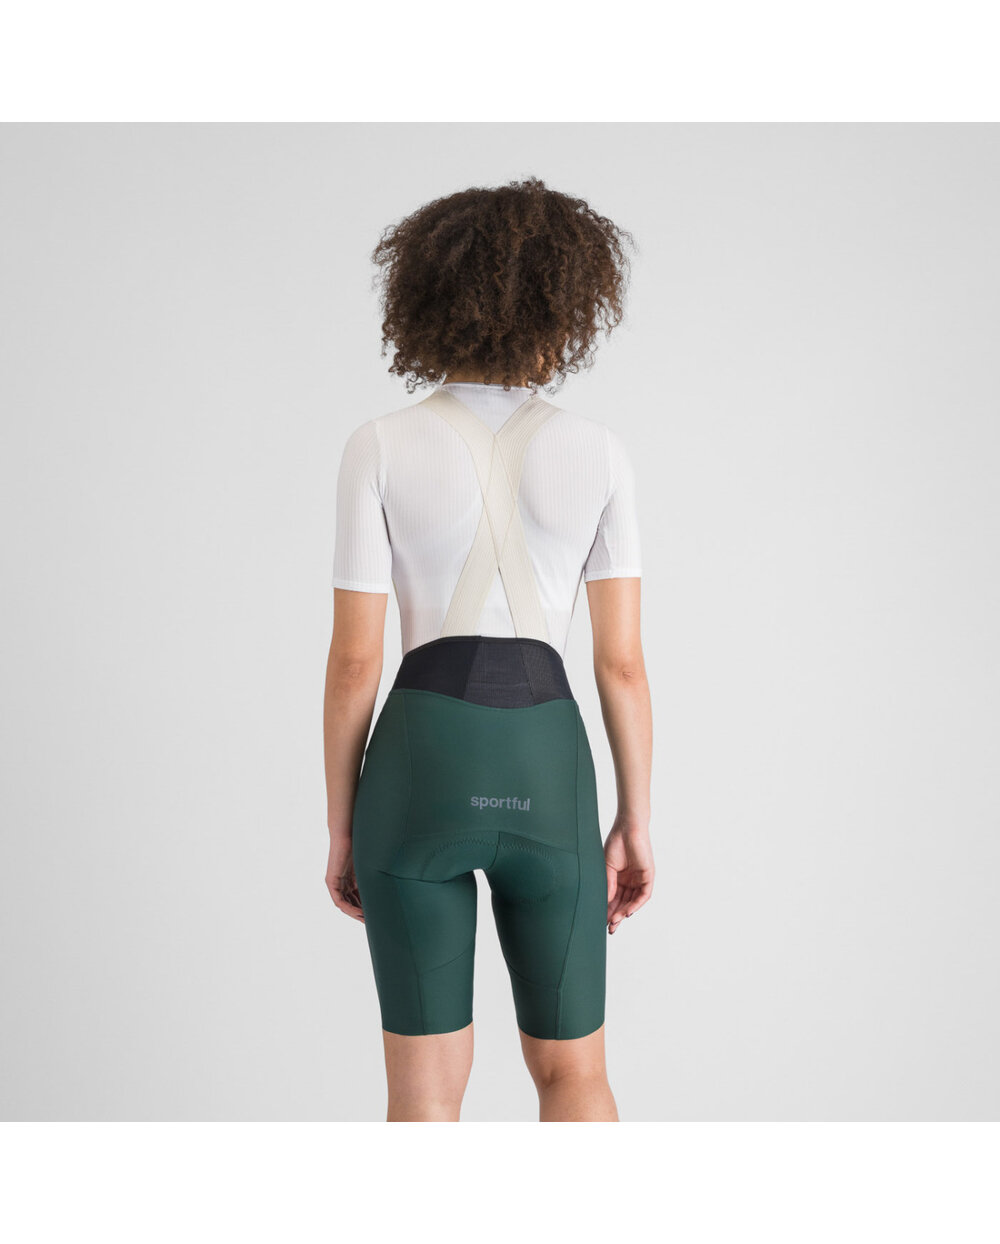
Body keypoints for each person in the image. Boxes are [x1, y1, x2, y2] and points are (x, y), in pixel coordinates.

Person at [323, 176, 654, 1122]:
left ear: (427, 297)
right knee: (575, 1075)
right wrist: (633, 820)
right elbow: (621, 664)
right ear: (566, 301)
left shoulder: (380, 444)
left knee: (424, 1095)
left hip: (418, 771)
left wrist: (345, 828)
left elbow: (355, 663)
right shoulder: (599, 451)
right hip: (548, 769)